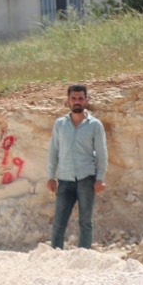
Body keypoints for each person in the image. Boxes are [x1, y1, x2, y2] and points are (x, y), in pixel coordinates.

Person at [47, 83, 108, 249]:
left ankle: (84, 256)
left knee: (85, 221)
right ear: (68, 101)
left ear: (86, 100)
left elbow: (102, 153)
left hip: (86, 178)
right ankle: (55, 256)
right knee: (59, 221)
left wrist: (100, 178)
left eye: (80, 98)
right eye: (73, 98)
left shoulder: (95, 125)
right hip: (65, 179)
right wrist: (50, 176)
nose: (77, 101)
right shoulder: (59, 124)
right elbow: (53, 151)